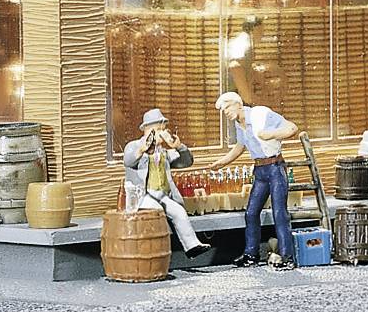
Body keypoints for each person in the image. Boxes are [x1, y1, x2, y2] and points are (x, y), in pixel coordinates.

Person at [210, 90, 298, 269]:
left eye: (228, 107)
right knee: (251, 212)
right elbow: (240, 146)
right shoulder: (239, 124)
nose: (226, 112)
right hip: (260, 170)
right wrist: (222, 162)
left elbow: (292, 128)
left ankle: (287, 257)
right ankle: (251, 254)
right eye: (224, 110)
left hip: (274, 168)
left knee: (279, 213)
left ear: (238, 104)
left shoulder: (260, 114)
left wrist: (271, 134)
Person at [120, 108, 208, 257]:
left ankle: (192, 246)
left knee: (179, 212)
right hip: (144, 195)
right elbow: (128, 161)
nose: (161, 133)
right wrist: (142, 150)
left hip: (162, 194)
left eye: (163, 129)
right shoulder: (135, 146)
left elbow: (186, 162)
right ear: (146, 130)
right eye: (157, 129)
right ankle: (155, 251)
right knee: (157, 211)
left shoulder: (164, 152)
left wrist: (178, 147)